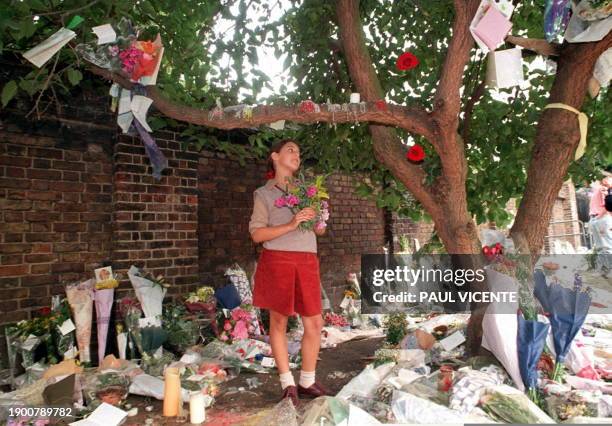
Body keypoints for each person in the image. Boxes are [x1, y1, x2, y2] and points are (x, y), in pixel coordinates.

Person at [249, 139, 330, 406]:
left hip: (306, 260)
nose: (297, 154)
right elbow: (257, 234)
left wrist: (319, 217)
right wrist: (292, 222)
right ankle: (287, 384)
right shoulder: (264, 193)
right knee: (279, 323)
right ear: (275, 156)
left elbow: (319, 231)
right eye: (291, 150)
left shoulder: (307, 191)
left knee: (315, 323)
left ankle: (307, 380)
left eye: (299, 150)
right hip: (278, 260)